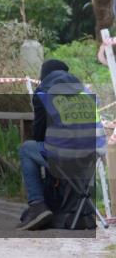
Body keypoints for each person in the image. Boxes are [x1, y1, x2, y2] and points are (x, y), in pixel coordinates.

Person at [17, 59, 105, 230]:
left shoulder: (43, 92)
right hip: (91, 157)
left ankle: (37, 205)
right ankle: (80, 212)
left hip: (62, 156)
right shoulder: (86, 93)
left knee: (27, 149)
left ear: (44, 76)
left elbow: (39, 131)